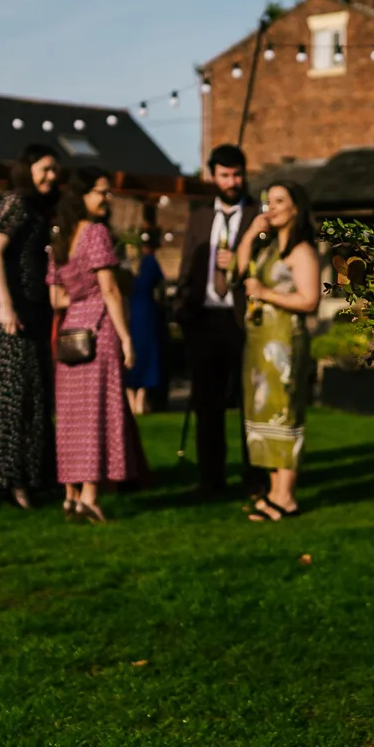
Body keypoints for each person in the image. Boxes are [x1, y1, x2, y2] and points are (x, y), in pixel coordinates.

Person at [48, 169, 144, 522]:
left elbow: (56, 297)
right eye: (100, 192)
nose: (107, 198)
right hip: (98, 329)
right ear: (82, 195)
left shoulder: (60, 238)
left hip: (69, 332)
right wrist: (126, 337)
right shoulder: (96, 233)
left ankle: (70, 495)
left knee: (71, 417)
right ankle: (89, 495)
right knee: (97, 414)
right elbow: (110, 289)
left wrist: (77, 298)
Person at [0, 146, 59, 506]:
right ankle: (12, 481)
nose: (51, 176)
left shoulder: (39, 208)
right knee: (14, 398)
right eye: (45, 169)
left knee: (34, 395)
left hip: (35, 311)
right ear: (28, 169)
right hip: (14, 312)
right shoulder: (15, 203)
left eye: (55, 170)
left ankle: (30, 477)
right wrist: (6, 303)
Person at [173, 145, 258, 497]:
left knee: (250, 402)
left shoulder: (257, 214)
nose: (232, 181)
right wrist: (182, 309)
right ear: (212, 176)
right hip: (204, 318)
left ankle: (256, 478)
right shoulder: (198, 216)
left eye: (237, 174)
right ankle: (211, 478)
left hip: (243, 319)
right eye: (225, 175)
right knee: (206, 404)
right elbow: (186, 266)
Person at [236, 183, 320, 521]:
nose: (271, 207)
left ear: (296, 208)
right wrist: (249, 234)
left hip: (285, 343)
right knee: (262, 414)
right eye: (268, 201)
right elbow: (239, 272)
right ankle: (273, 490)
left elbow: (309, 300)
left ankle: (285, 496)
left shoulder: (301, 252)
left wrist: (266, 293)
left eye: (279, 201)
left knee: (283, 413)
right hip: (259, 343)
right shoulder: (268, 248)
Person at [123, 230, 167, 416]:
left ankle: (133, 400)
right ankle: (140, 400)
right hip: (146, 312)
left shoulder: (123, 265)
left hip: (129, 313)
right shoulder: (149, 262)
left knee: (132, 355)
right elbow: (161, 287)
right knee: (146, 355)